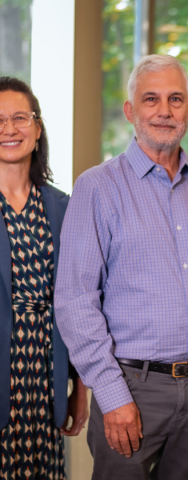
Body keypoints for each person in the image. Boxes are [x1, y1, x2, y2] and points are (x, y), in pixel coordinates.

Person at [54, 54, 188, 480]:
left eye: (175, 99)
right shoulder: (97, 188)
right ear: (131, 110)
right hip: (131, 387)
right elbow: (75, 301)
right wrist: (111, 394)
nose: (164, 111)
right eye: (151, 99)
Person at [0, 77, 89, 479]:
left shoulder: (64, 207)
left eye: (20, 118)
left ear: (37, 130)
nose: (9, 129)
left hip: (46, 377)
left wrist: (80, 389)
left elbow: (82, 302)